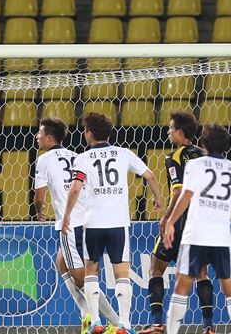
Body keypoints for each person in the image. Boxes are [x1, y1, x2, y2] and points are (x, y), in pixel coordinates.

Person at [61, 112, 163, 334]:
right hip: (118, 224)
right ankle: (124, 325)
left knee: (91, 272)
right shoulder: (123, 153)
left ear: (88, 134)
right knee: (121, 274)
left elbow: (76, 188)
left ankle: (96, 322)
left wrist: (67, 215)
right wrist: (157, 198)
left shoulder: (82, 158)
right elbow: (151, 175)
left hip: (93, 224)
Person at [34, 117, 121, 334]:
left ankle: (114, 324)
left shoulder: (44, 160)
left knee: (82, 280)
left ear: (49, 137)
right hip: (89, 220)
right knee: (61, 263)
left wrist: (39, 211)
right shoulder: (76, 156)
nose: (37, 136)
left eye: (39, 133)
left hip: (70, 223)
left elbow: (39, 196)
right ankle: (87, 316)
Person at [163, 124, 231, 334]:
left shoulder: (196, 165)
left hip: (195, 236)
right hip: (221, 238)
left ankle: (172, 331)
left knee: (182, 287)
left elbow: (186, 195)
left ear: (203, 143)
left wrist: (171, 222)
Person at [141, 111, 215, 334]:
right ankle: (209, 328)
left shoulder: (173, 157)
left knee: (156, 268)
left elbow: (179, 191)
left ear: (180, 132)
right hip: (203, 221)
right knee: (202, 273)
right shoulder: (206, 155)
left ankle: (156, 324)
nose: (168, 131)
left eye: (171, 128)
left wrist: (167, 218)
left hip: (181, 220)